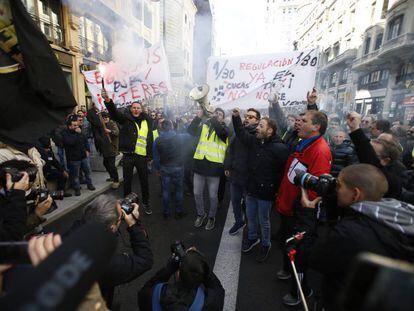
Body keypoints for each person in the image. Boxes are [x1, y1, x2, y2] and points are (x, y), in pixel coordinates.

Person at [300, 164, 414, 310]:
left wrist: (308, 215)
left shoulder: (348, 233)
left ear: (355, 194)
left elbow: (314, 258)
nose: (335, 189)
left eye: (339, 185)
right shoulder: (398, 214)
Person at [276, 110, 332, 305]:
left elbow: (315, 188)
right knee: (287, 241)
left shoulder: (320, 150)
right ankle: (288, 270)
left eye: (304, 121)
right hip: (288, 205)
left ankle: (299, 291)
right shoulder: (303, 143)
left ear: (316, 127)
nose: (299, 123)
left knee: (299, 252)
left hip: (302, 212)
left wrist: (303, 207)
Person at [71, 194, 153, 308]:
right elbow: (145, 260)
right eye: (119, 219)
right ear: (112, 227)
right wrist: (134, 225)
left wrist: (112, 205)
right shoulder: (106, 262)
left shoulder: (74, 230)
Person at [232, 108, 289, 262]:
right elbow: (241, 134)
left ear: (269, 131)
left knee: (263, 220)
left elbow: (282, 173)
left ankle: (265, 243)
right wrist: (236, 117)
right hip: (251, 189)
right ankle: (252, 238)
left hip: (266, 193)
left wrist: (275, 190)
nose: (257, 128)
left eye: (261, 126)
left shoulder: (280, 148)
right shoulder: (256, 141)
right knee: (250, 217)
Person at [102, 90, 153, 215]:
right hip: (129, 156)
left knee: (144, 181)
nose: (136, 110)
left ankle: (146, 203)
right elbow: (114, 114)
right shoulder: (126, 119)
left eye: (138, 108)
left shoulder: (147, 121)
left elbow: (150, 139)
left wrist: (150, 156)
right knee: (127, 181)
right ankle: (126, 204)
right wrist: (108, 101)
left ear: (141, 110)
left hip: (142, 157)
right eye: (134, 108)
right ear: (131, 109)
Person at [138, 247, 224, 311]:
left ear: (178, 274)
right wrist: (199, 263)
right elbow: (216, 286)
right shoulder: (212, 303)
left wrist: (168, 269)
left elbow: (149, 285)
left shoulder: (149, 295)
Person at [187, 108, 229, 230]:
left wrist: (213, 118)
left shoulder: (225, 129)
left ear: (223, 118)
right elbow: (190, 131)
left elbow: (222, 134)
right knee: (197, 193)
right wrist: (198, 117)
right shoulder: (205, 126)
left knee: (212, 196)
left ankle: (211, 217)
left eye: (220, 114)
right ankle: (201, 214)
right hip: (200, 166)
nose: (217, 115)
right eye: (215, 113)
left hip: (214, 168)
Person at [347, 112, 402, 199]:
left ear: (385, 161)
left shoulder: (391, 180)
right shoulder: (361, 169)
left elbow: (369, 159)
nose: (365, 154)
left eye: (372, 153)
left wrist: (356, 130)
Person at [224, 108, 260, 235]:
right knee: (235, 201)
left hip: (248, 178)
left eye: (251, 117)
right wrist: (228, 166)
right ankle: (239, 221)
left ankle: (252, 232)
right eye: (246, 116)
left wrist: (236, 117)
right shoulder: (239, 132)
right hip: (236, 175)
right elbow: (230, 150)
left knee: (249, 206)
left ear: (257, 120)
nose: (247, 118)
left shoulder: (256, 134)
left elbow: (242, 135)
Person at [153, 120, 189, 219]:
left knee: (166, 190)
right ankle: (179, 211)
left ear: (162, 128)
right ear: (172, 126)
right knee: (178, 190)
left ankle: (166, 212)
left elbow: (155, 157)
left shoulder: (157, 140)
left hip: (164, 167)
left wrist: (157, 169)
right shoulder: (180, 137)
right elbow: (191, 135)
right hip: (178, 166)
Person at [62, 115, 95, 196]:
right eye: (74, 125)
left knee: (88, 172)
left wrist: (87, 150)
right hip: (74, 159)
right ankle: (77, 189)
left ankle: (90, 184)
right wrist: (77, 134)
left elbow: (85, 141)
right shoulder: (65, 133)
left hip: (83, 156)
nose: (77, 126)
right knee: (75, 175)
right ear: (70, 126)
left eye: (77, 125)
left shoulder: (80, 132)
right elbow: (70, 142)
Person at [100, 112, 120, 189]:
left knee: (112, 165)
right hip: (105, 148)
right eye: (103, 117)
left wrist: (110, 131)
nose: (105, 118)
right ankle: (112, 176)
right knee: (105, 164)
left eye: (106, 117)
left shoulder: (112, 123)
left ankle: (116, 180)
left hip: (112, 148)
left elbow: (117, 132)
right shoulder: (102, 125)